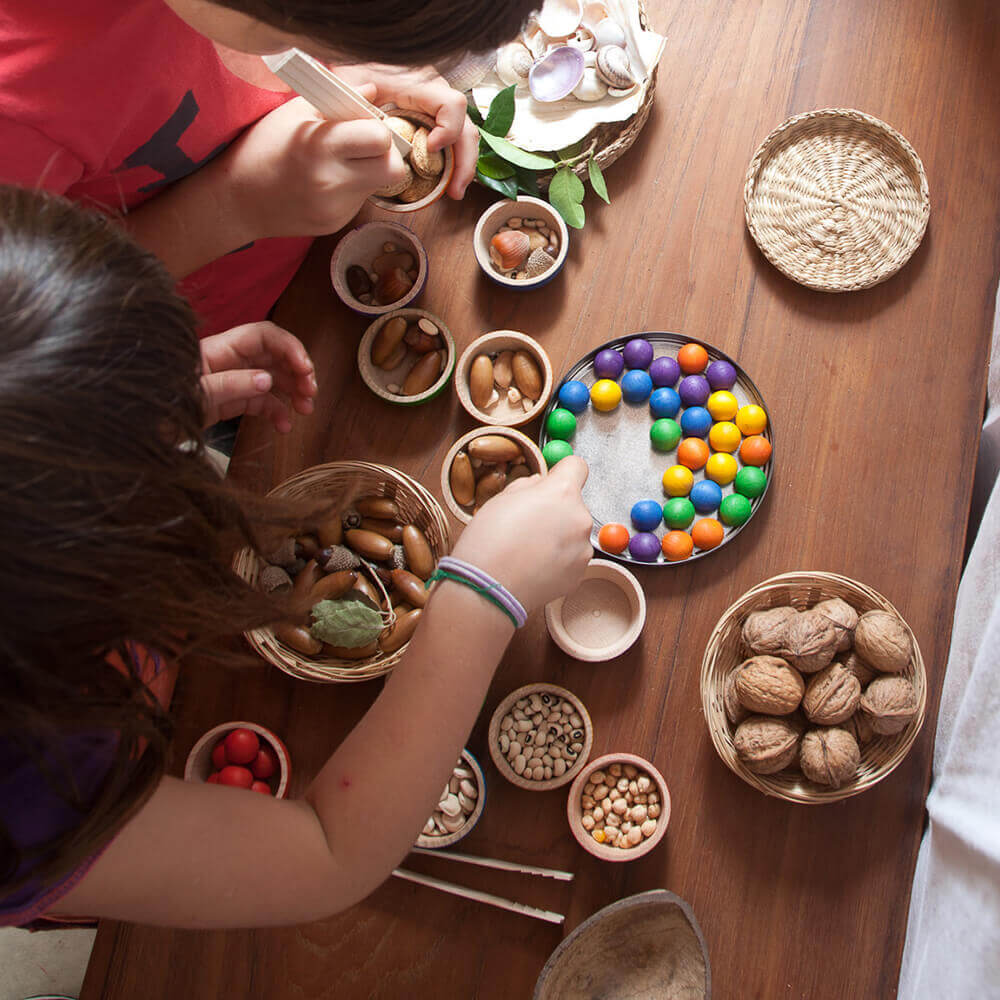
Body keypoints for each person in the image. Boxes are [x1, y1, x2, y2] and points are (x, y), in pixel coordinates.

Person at [0, 185, 595, 927]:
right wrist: (482, 596)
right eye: (158, 468)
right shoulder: (30, 793)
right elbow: (327, 854)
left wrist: (143, 399)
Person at [0, 0, 536, 334]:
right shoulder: (22, 97)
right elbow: (31, 327)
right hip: (208, 339)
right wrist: (234, 203)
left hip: (323, 260)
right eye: (296, 39)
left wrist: (360, 61)